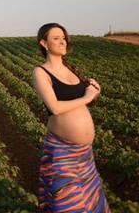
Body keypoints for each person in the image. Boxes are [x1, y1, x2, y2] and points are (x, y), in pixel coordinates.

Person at [31, 22, 111, 213]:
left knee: (91, 201)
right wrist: (86, 97)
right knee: (68, 203)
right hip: (62, 150)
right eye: (56, 38)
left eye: (64, 38)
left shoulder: (70, 69)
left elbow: (83, 102)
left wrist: (93, 91)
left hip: (84, 153)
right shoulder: (40, 72)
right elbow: (55, 108)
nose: (62, 42)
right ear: (44, 43)